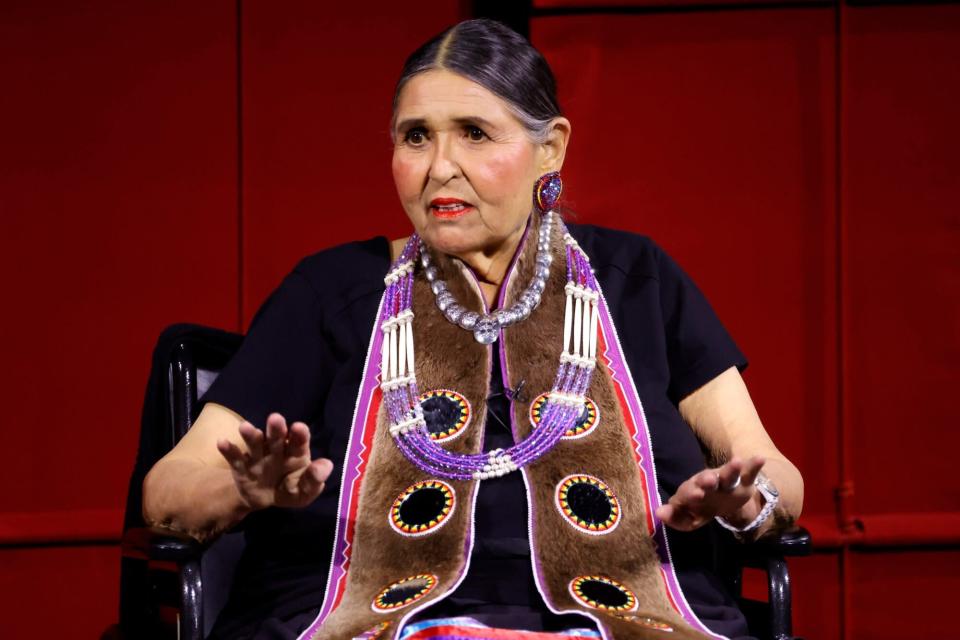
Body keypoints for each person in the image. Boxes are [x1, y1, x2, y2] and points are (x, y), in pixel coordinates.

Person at [142, 18, 803, 640]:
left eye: (475, 134)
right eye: (416, 136)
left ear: (551, 148)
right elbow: (168, 491)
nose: (439, 167)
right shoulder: (331, 290)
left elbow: (776, 475)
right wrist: (244, 490)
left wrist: (750, 502)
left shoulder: (639, 282)